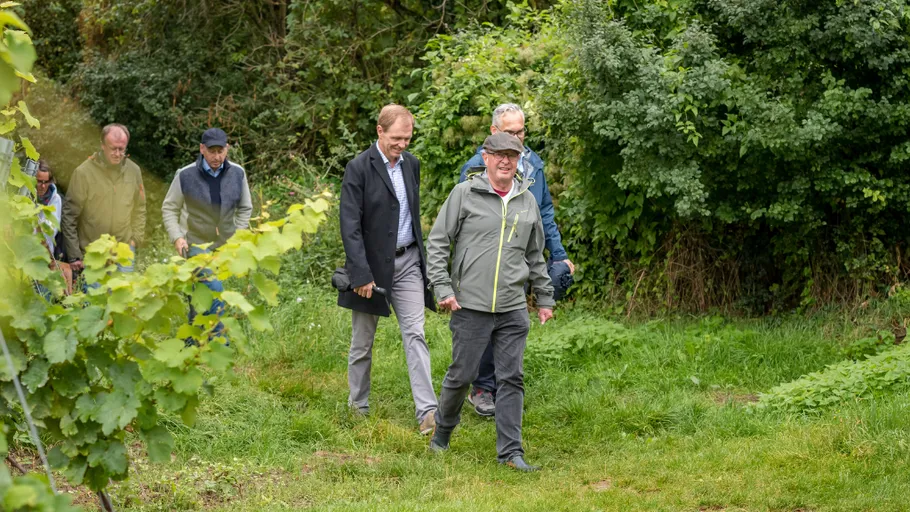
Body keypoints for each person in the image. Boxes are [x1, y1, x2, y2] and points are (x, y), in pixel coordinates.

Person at [426, 132, 555, 472]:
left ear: (518, 160)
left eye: (512, 155)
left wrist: (544, 297)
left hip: (513, 307)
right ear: (485, 157)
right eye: (498, 154)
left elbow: (535, 255)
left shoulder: (526, 201)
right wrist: (442, 287)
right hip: (470, 305)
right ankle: (443, 431)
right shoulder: (465, 193)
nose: (505, 161)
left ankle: (511, 454)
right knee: (462, 374)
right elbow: (438, 241)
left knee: (511, 377)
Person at [459, 103, 575, 417]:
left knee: (512, 325)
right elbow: (465, 220)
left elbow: (545, 212)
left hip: (523, 260)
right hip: (488, 262)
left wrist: (560, 255)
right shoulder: (475, 166)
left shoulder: (533, 163)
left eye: (521, 131)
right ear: (494, 132)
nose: (517, 138)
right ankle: (481, 388)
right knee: (487, 325)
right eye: (509, 132)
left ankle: (507, 386)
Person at [338, 104, 438, 435]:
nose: (403, 145)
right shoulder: (358, 168)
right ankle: (358, 405)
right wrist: (360, 274)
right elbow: (349, 226)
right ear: (379, 132)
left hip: (408, 262)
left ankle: (428, 413)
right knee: (363, 341)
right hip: (371, 269)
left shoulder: (412, 164)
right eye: (397, 138)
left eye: (407, 138)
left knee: (416, 334)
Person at [161, 128, 252, 340]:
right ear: (202, 149)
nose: (217, 156)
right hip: (195, 244)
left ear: (227, 149)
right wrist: (177, 237)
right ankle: (221, 344)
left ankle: (191, 342)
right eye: (212, 151)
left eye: (221, 151)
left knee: (200, 295)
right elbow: (169, 208)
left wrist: (238, 234)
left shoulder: (238, 173)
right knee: (215, 290)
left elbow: (245, 207)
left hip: (224, 244)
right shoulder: (185, 175)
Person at [62, 123, 146, 275]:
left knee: (122, 298)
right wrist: (74, 255)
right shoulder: (83, 173)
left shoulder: (134, 171)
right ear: (102, 145)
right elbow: (69, 216)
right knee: (93, 298)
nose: (117, 153)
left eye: (122, 149)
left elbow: (140, 208)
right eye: (113, 148)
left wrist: (135, 240)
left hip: (123, 251)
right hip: (93, 253)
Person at [34, 160, 72, 296]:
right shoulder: (26, 197)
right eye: (39, 181)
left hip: (47, 258)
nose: (43, 186)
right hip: (27, 255)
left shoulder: (56, 200)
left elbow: (53, 231)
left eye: (46, 182)